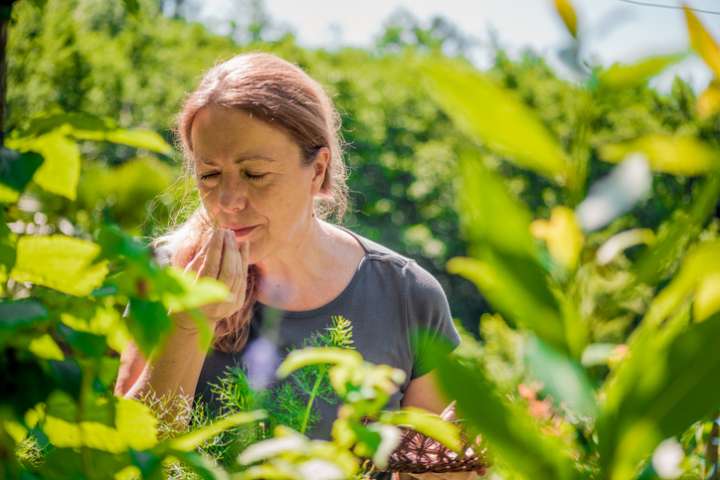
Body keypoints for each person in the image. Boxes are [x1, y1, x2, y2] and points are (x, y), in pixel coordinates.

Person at [114, 52, 471, 479]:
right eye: (210, 175)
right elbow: (129, 459)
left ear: (318, 171)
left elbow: (432, 466)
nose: (228, 201)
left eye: (254, 174)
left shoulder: (407, 295)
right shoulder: (166, 273)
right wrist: (192, 319)